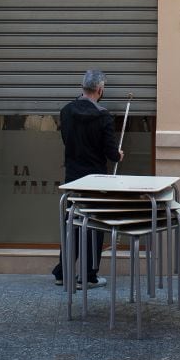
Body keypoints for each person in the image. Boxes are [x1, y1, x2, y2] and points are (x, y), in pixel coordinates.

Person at [52, 69, 124, 288]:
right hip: (95, 178)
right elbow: (111, 154)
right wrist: (118, 154)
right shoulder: (103, 117)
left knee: (71, 222)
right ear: (100, 90)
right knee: (93, 223)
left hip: (73, 176)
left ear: (82, 87)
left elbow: (67, 140)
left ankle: (63, 272)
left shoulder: (66, 111)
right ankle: (89, 276)